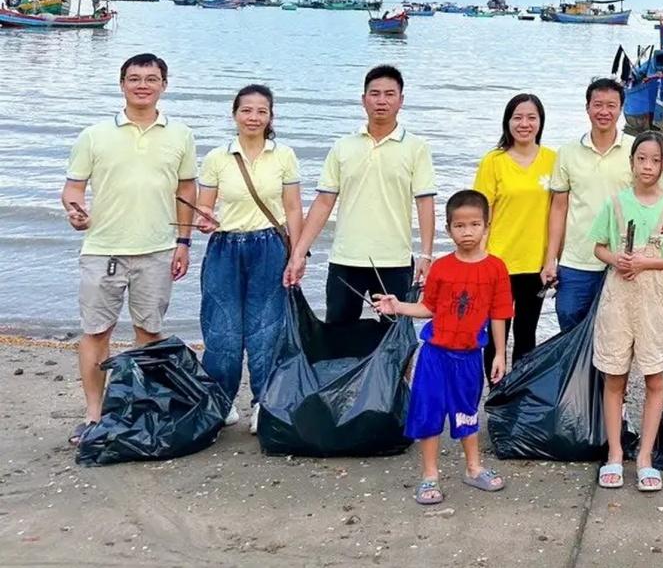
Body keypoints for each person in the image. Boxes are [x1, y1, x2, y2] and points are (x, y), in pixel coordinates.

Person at [60, 53, 197, 445]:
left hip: (157, 250)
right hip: (102, 249)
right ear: (122, 84)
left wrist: (183, 242)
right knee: (96, 331)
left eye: (151, 79)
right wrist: (75, 210)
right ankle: (93, 414)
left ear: (163, 86)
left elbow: (186, 190)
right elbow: (73, 187)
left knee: (149, 333)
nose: (142, 85)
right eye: (134, 78)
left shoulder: (180, 135)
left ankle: (143, 409)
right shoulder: (94, 135)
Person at [373, 189, 512, 506]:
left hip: (469, 357)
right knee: (429, 412)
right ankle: (429, 475)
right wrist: (398, 306)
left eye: (475, 224)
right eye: (460, 225)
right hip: (434, 355)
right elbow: (428, 308)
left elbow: (500, 314)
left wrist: (500, 353)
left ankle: (474, 468)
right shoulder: (442, 268)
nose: (468, 232)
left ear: (486, 227)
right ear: (448, 229)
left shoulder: (496, 269)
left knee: (466, 413)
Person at [590, 130, 663, 492]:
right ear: (632, 161)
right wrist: (615, 258)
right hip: (618, 295)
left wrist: (648, 263)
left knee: (655, 378)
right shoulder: (616, 203)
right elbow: (599, 247)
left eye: (655, 160)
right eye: (641, 158)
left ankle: (646, 456)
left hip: (656, 298)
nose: (647, 166)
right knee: (614, 376)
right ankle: (616, 453)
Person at [286, 65, 436, 323]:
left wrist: (426, 254)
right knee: (338, 335)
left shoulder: (416, 148)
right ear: (363, 99)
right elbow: (323, 202)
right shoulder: (343, 146)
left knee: (393, 337)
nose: (381, 101)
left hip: (394, 259)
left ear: (401, 100)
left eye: (390, 94)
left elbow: (425, 202)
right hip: (346, 257)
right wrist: (299, 252)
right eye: (374, 93)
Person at [196, 84, 303, 427]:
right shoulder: (217, 157)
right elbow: (205, 206)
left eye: (261, 111)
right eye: (247, 110)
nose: (253, 117)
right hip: (225, 247)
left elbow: (293, 209)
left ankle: (264, 402)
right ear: (234, 114)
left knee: (267, 328)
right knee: (221, 328)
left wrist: (297, 255)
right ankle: (221, 401)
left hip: (271, 246)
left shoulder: (284, 155)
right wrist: (203, 220)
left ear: (271, 116)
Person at [544, 78, 651, 332]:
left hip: (621, 260)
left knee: (615, 335)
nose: (604, 112)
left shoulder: (635, 150)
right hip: (576, 260)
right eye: (598, 105)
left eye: (611, 105)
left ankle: (606, 375)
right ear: (587, 108)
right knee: (570, 328)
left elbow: (649, 203)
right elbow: (558, 208)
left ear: (621, 108)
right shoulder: (568, 152)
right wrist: (551, 260)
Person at [472, 93, 555, 368]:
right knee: (496, 335)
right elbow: (480, 215)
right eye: (517, 117)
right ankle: (495, 393)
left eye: (532, 117)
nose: (524, 124)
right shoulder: (493, 161)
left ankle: (517, 397)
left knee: (526, 334)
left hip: (535, 264)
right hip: (498, 263)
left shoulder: (553, 160)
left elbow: (559, 213)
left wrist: (552, 259)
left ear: (540, 122)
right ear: (507, 121)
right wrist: (478, 260)